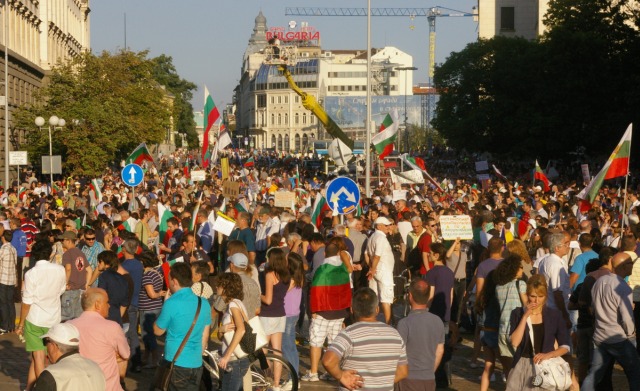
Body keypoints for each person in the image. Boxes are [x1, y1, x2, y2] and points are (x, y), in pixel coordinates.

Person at [322, 287, 408, 390]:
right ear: (377, 309)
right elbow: (403, 372)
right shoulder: (395, 335)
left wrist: (341, 376)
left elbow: (328, 361)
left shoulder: (348, 334)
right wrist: (380, 382)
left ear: (352, 310)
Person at [581, 252, 640, 390]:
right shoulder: (623, 287)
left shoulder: (599, 282)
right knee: (635, 373)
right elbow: (627, 318)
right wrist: (631, 335)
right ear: (624, 266)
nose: (632, 265)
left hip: (600, 336)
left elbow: (593, 308)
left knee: (594, 374)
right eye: (631, 263)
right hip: (617, 337)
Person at [505, 275, 570, 390]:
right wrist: (525, 316)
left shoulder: (554, 315)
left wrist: (549, 355)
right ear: (527, 295)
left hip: (545, 366)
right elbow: (514, 342)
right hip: (522, 365)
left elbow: (565, 346)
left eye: (541, 296)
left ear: (546, 296)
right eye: (533, 296)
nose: (536, 301)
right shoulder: (517, 313)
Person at [17, 240, 67, 391]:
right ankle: (29, 388)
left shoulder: (31, 274)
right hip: (54, 318)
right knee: (40, 357)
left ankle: (43, 387)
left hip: (35, 319)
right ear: (51, 253)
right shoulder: (60, 269)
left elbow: (26, 303)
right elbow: (61, 290)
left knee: (38, 357)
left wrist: (20, 324)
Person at [153, 262, 212, 391]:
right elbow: (205, 335)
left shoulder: (172, 303)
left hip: (176, 362)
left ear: (174, 281)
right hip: (196, 363)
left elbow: (157, 331)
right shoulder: (204, 303)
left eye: (168, 279)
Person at [302, 242, 352, 382]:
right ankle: (331, 371)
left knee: (316, 342)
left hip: (323, 312)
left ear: (324, 254)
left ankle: (313, 373)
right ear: (338, 253)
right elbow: (346, 288)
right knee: (333, 344)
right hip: (340, 312)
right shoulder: (343, 268)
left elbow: (316, 291)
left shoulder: (322, 269)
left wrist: (313, 310)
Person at [69, 288, 130, 391]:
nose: (109, 306)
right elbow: (126, 354)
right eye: (107, 302)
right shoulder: (112, 327)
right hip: (106, 386)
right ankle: (121, 384)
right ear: (97, 304)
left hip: (77, 385)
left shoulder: (69, 325)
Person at [396, 279, 445, 391]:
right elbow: (440, 350)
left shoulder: (404, 323)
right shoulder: (437, 321)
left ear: (410, 296)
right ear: (428, 297)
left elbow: (397, 354)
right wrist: (430, 371)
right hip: (429, 379)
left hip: (408, 380)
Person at [32, 322, 106, 390]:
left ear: (53, 346)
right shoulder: (96, 367)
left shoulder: (52, 374)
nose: (45, 347)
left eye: (45, 342)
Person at [259, 248, 290, 388]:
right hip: (281, 314)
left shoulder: (270, 275)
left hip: (267, 314)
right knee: (277, 350)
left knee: (263, 350)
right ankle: (276, 384)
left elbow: (268, 300)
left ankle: (266, 379)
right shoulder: (286, 275)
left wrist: (258, 294)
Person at [216, 272, 251, 391]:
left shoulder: (232, 305)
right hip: (239, 360)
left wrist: (226, 356)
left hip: (234, 361)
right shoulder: (237, 303)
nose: (217, 287)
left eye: (219, 285)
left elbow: (241, 329)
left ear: (226, 288)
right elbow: (224, 336)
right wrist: (221, 330)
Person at [137, 251, 166, 369]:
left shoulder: (147, 275)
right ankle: (146, 357)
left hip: (148, 309)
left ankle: (154, 360)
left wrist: (158, 294)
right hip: (157, 307)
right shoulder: (157, 273)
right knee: (150, 335)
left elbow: (152, 294)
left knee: (148, 335)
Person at [365, 216, 396, 324]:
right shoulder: (381, 238)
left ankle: (374, 321)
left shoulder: (372, 237)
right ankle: (388, 323)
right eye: (386, 225)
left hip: (377, 270)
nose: (389, 227)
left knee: (375, 298)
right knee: (386, 298)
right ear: (379, 226)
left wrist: (371, 268)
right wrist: (372, 269)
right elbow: (377, 256)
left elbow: (367, 255)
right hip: (383, 271)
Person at [59, 230, 92, 321]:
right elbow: (89, 270)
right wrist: (86, 284)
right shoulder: (80, 253)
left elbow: (68, 269)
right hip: (80, 290)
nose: (62, 242)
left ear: (69, 241)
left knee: (66, 318)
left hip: (70, 289)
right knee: (78, 318)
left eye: (63, 240)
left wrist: (65, 283)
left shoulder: (67, 254)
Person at [283, 252, 304, 376]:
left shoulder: (291, 280)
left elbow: (282, 292)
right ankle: (294, 375)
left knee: (286, 346)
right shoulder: (298, 277)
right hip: (293, 313)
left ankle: (293, 377)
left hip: (288, 315)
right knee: (291, 345)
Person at [96, 250, 130, 325]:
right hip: (117, 316)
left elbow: (101, 296)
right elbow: (124, 303)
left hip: (105, 315)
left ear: (107, 264)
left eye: (100, 261)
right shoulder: (123, 278)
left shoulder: (103, 276)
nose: (98, 264)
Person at [0, 228, 17, 334]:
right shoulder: (13, 249)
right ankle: (11, 325)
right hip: (11, 280)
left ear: (3, 238)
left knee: (3, 303)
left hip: (3, 279)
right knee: (10, 303)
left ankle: (4, 325)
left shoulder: (3, 249)